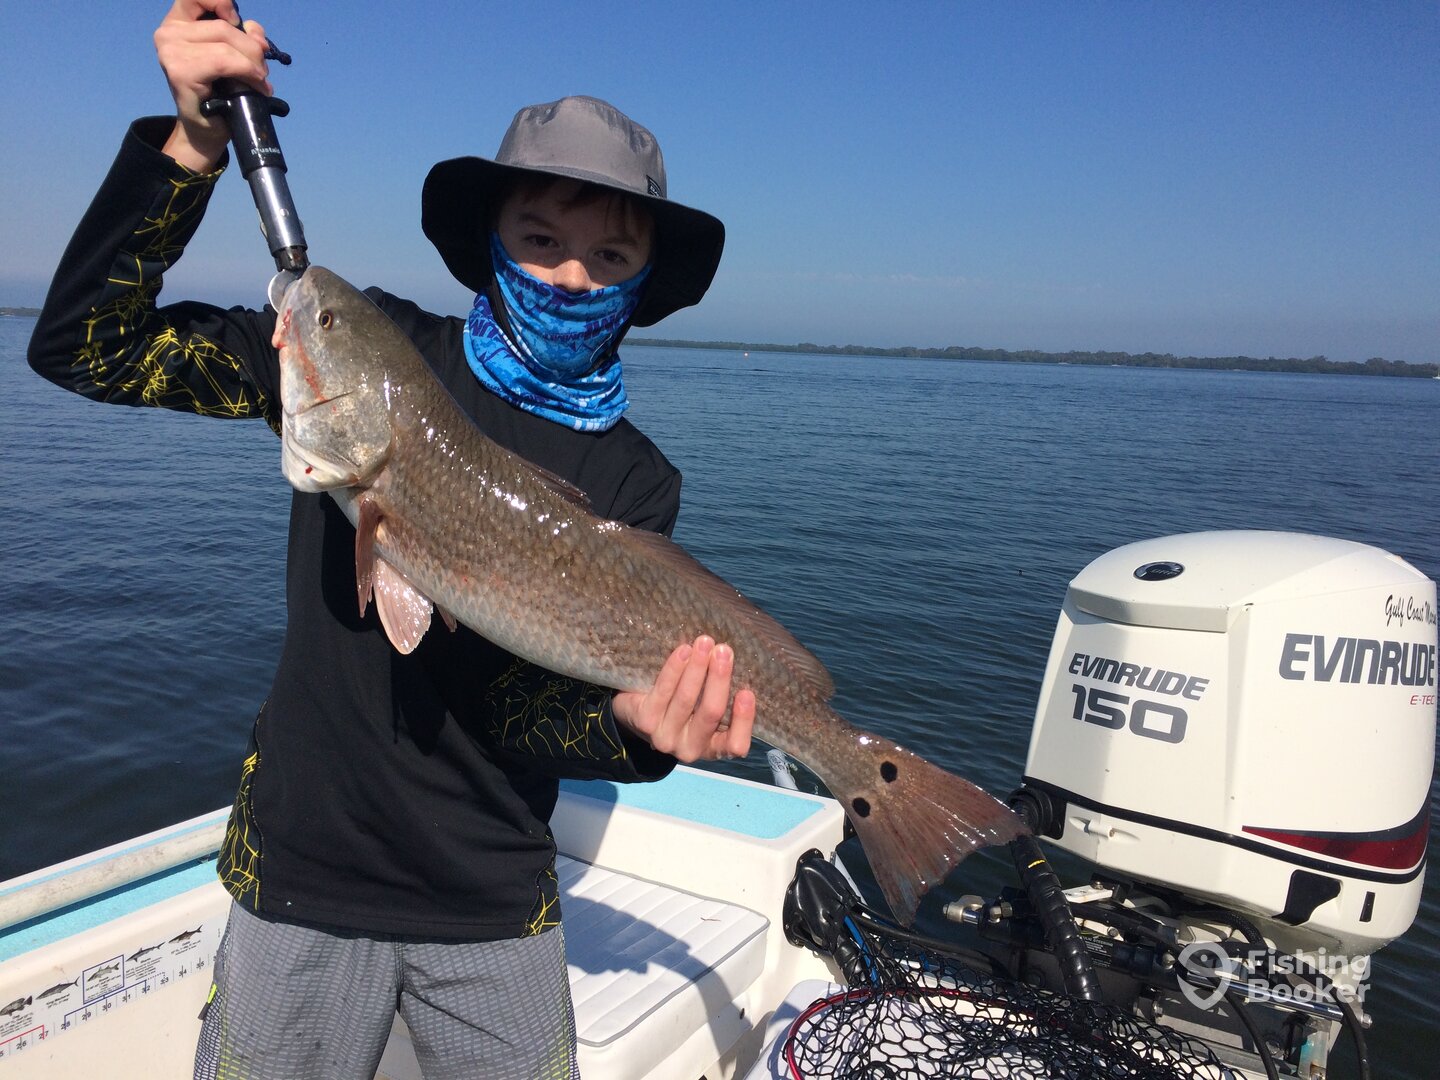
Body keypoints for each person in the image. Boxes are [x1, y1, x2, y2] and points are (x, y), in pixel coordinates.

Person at [28, 2, 756, 1076]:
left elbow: (526, 711)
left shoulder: (635, 481)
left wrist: (635, 734)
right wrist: (190, 145)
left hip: (495, 895)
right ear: (490, 241)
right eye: (542, 239)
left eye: (610, 254)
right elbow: (86, 348)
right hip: (301, 870)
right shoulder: (362, 351)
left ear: (645, 278)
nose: (571, 275)